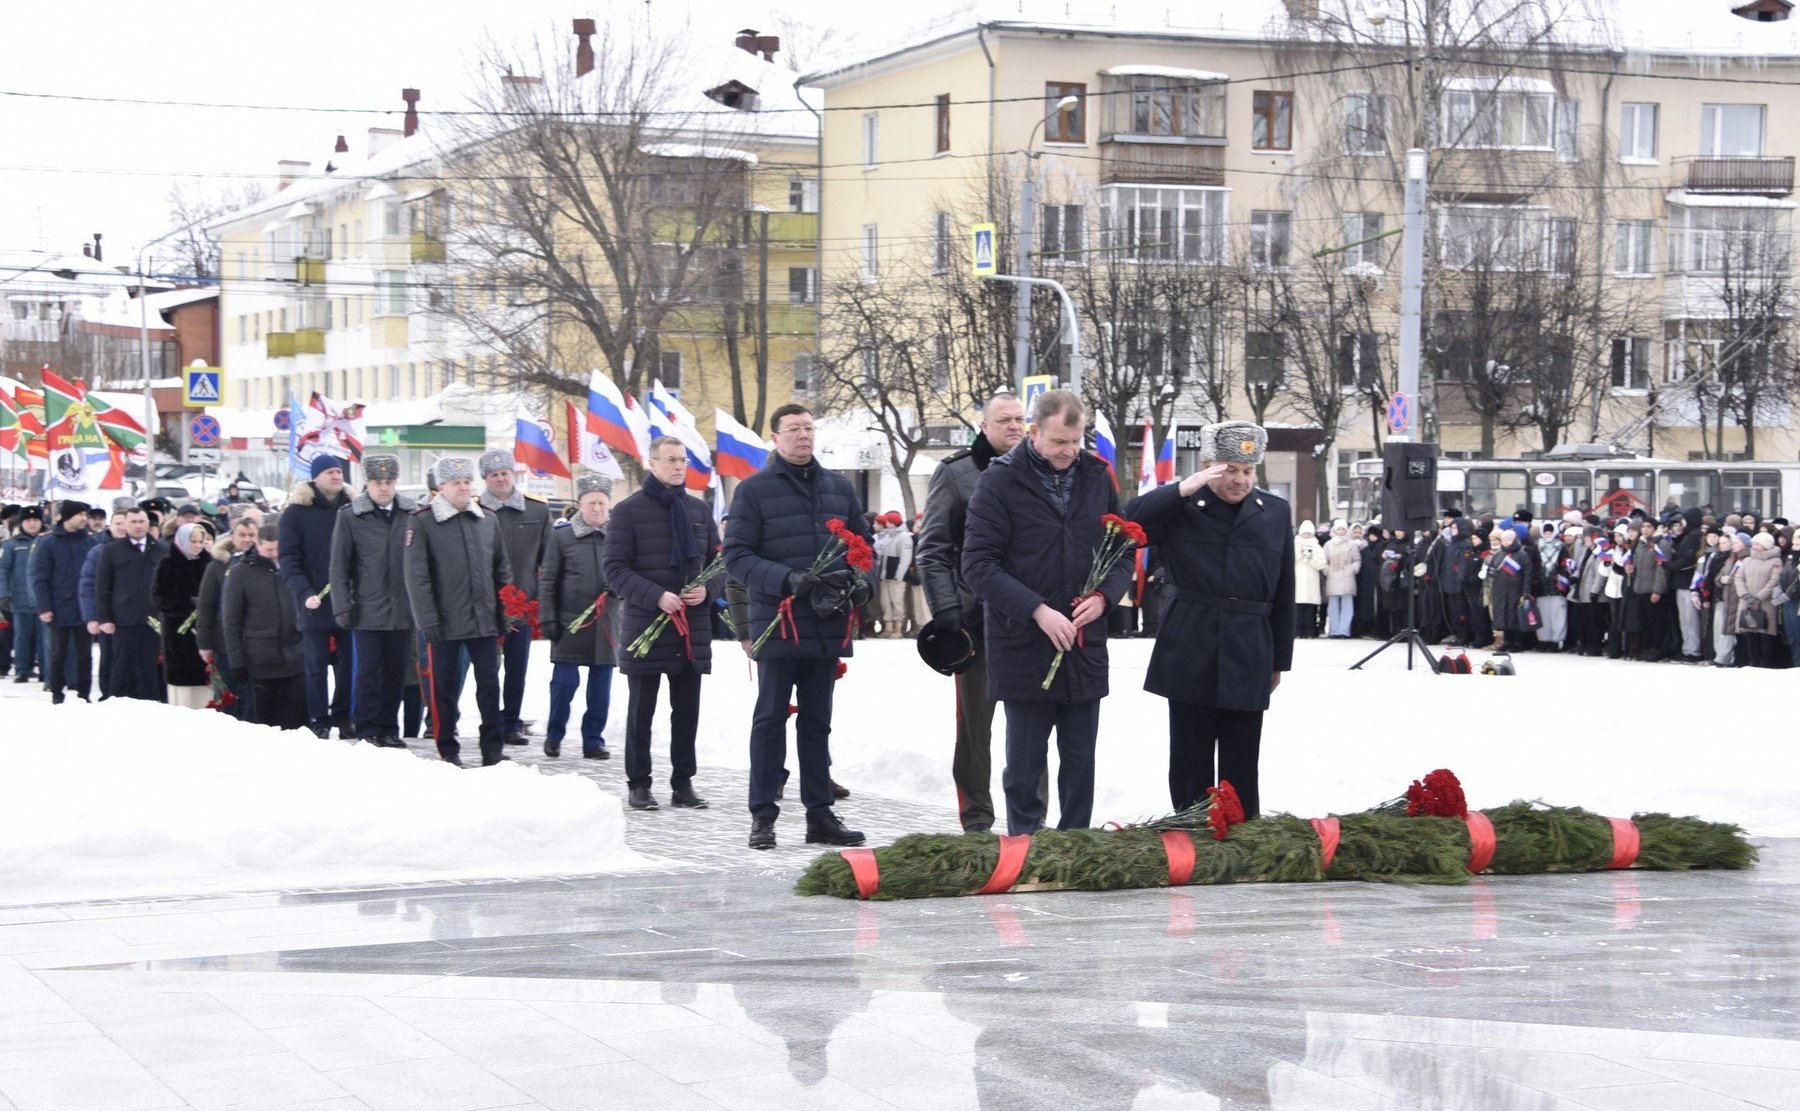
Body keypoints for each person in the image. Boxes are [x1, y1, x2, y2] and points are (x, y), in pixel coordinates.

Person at [962, 389, 1129, 835]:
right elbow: (978, 566)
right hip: (1023, 645)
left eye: (1076, 442)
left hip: (1082, 645)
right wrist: (1036, 610)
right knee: (1024, 768)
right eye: (1059, 443)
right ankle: (1024, 848)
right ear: (1034, 433)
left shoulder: (1097, 477)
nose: (1069, 452)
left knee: (1079, 766)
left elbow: (1123, 551)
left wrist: (1104, 598)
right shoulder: (998, 482)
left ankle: (1074, 849)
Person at [1125, 421, 1294, 819]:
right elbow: (1131, 521)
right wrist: (1184, 488)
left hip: (1249, 645)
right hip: (1190, 642)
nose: (1239, 480)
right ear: (1208, 466)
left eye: (1247, 471)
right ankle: (1192, 828)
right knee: (1190, 752)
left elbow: (1284, 589)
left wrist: (1279, 659)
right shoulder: (1181, 507)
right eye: (1229, 469)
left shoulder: (1274, 512)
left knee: (1242, 753)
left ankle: (1240, 829)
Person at [723, 402, 871, 850]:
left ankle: (819, 815)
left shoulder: (839, 488)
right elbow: (736, 557)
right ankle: (763, 815)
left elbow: (862, 546)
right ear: (776, 437)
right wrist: (785, 579)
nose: (803, 436)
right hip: (781, 622)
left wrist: (861, 582)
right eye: (793, 429)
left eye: (808, 428)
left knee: (817, 722)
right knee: (769, 719)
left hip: (826, 623)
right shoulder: (753, 491)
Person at [916, 391, 1030, 833]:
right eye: (1004, 420)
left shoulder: (1040, 472)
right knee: (975, 734)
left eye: (1020, 419)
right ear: (984, 426)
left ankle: (1029, 821)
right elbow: (933, 550)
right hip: (975, 623)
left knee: (1030, 728)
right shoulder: (956, 474)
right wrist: (948, 610)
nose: (1014, 427)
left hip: (1027, 624)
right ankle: (977, 821)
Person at [604, 438, 725, 807]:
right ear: (652, 463)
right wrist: (655, 595)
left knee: (686, 711)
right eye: (671, 460)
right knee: (642, 710)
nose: (678, 466)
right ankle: (639, 783)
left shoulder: (699, 511)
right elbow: (613, 570)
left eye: (683, 460)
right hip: (646, 624)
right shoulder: (627, 511)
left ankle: (683, 782)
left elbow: (719, 564)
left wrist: (706, 589)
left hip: (691, 626)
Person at [404, 457, 513, 767]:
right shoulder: (422, 521)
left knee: (490, 687)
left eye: (467, 481)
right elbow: (417, 577)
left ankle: (492, 747)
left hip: (485, 620)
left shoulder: (487, 519)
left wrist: (506, 610)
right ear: (441, 487)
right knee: (444, 690)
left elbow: (502, 569)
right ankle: (447, 747)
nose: (464, 487)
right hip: (444, 622)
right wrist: (428, 620)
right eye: (456, 482)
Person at [328, 454, 416, 748]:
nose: (384, 488)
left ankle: (390, 727)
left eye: (389, 482)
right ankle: (366, 728)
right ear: (367, 483)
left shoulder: (411, 513)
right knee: (367, 672)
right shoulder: (350, 516)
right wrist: (342, 605)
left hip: (403, 609)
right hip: (366, 609)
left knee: (396, 673)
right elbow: (339, 567)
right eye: (378, 482)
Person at [542, 475, 622, 766]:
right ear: (580, 505)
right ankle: (554, 734)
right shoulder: (562, 536)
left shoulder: (619, 535)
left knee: (600, 688)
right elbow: (549, 580)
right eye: (592, 503)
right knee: (564, 684)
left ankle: (593, 740)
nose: (598, 509)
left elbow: (631, 572)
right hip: (570, 621)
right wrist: (548, 618)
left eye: (602, 503)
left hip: (607, 623)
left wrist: (620, 585)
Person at [478, 450, 554, 747]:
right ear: (485, 478)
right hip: (483, 605)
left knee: (517, 668)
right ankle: (490, 724)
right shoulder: (474, 510)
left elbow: (549, 559)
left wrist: (542, 598)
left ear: (513, 474)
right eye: (494, 474)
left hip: (522, 605)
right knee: (486, 670)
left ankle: (510, 722)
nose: (500, 478)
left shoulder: (536, 510)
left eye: (504, 473)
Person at [280, 454, 353, 737]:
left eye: (339, 471)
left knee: (349, 665)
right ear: (316, 478)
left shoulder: (351, 508)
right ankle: (319, 719)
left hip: (348, 600)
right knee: (316, 667)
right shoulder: (297, 512)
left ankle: (344, 716)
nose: (337, 476)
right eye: (331, 472)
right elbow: (288, 559)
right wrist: (305, 592)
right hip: (314, 601)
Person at [222, 524, 308, 729]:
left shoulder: (293, 566)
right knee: (263, 724)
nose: (274, 553)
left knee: (297, 723)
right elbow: (231, 620)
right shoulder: (240, 573)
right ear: (258, 544)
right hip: (261, 659)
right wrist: (237, 662)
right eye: (269, 549)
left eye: (278, 548)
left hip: (295, 657)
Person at [93, 506, 167, 702]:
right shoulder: (112, 551)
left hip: (153, 621)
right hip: (123, 620)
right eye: (133, 522)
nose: (138, 526)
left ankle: (150, 705)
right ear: (125, 525)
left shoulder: (161, 550)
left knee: (149, 668)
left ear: (148, 524)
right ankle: (116, 704)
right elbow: (102, 587)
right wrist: (105, 618)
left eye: (142, 521)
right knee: (121, 667)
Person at [197, 509, 260, 719]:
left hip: (256, 641)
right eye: (242, 535)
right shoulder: (218, 565)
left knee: (253, 696)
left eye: (252, 535)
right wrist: (205, 643)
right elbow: (206, 605)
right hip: (224, 641)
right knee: (231, 695)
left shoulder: (263, 563)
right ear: (233, 537)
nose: (247, 540)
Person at [31, 500, 96, 704]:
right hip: (58, 607)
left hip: (84, 608)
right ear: (68, 517)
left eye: (86, 515)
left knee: (85, 654)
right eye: (80, 514)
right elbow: (40, 577)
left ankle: (84, 693)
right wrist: (44, 606)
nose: (84, 518)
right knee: (58, 653)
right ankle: (56, 692)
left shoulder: (91, 543)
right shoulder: (48, 543)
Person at [152, 522, 217, 709]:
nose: (197, 545)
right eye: (193, 541)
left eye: (200, 541)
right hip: (178, 634)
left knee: (206, 685)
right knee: (183, 688)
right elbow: (159, 597)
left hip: (206, 632)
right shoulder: (168, 564)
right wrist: (187, 605)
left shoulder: (209, 563)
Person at [0, 505, 44, 682]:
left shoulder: (47, 542)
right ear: (22, 523)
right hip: (20, 598)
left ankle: (45, 670)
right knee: (21, 637)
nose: (32, 524)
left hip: (43, 600)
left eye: (35, 520)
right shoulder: (11, 545)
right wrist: (3, 594)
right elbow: (3, 570)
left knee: (43, 639)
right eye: (28, 520)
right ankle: (22, 669)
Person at [1735, 532, 1782, 668]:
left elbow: (1774, 581)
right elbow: (1739, 578)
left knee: (1765, 634)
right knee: (1750, 633)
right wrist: (1744, 594)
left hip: (1765, 604)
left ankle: (1765, 663)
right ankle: (1753, 661)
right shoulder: (1746, 560)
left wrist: (1759, 596)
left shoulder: (1776, 561)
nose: (1754, 546)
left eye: (1757, 544)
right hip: (1747, 602)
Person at [1669, 506, 1706, 660]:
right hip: (1681, 582)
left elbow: (1688, 558)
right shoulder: (1687, 535)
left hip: (1688, 582)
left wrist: (1670, 565)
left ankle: (1694, 650)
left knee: (1691, 619)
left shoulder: (1695, 535)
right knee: (1684, 619)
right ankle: (1687, 648)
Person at [874, 511, 912, 638]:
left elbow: (905, 557)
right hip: (885, 575)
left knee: (897, 601)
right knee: (885, 601)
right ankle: (888, 628)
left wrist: (899, 575)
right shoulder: (888, 536)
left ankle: (898, 629)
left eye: (888, 521)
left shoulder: (904, 536)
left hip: (896, 576)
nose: (886, 523)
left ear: (892, 522)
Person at [1321, 520, 1361, 639]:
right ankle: (1334, 630)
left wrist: (1353, 569)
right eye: (1339, 529)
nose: (1341, 531)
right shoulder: (1328, 544)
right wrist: (1327, 570)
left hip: (1347, 577)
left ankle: (1344, 630)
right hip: (1333, 576)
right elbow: (1324, 560)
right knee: (1333, 605)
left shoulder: (1351, 544)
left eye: (1343, 529)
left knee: (1347, 604)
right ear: (1335, 530)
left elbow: (1357, 559)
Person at [1292, 520, 1325, 638]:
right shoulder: (1294, 544)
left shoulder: (1316, 546)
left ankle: (1309, 631)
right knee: (1298, 608)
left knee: (1310, 609)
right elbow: (1291, 561)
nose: (1307, 536)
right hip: (1298, 580)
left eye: (1309, 533)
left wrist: (1311, 558)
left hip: (1312, 582)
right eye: (1305, 533)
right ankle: (1297, 630)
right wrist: (1301, 553)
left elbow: (1321, 564)